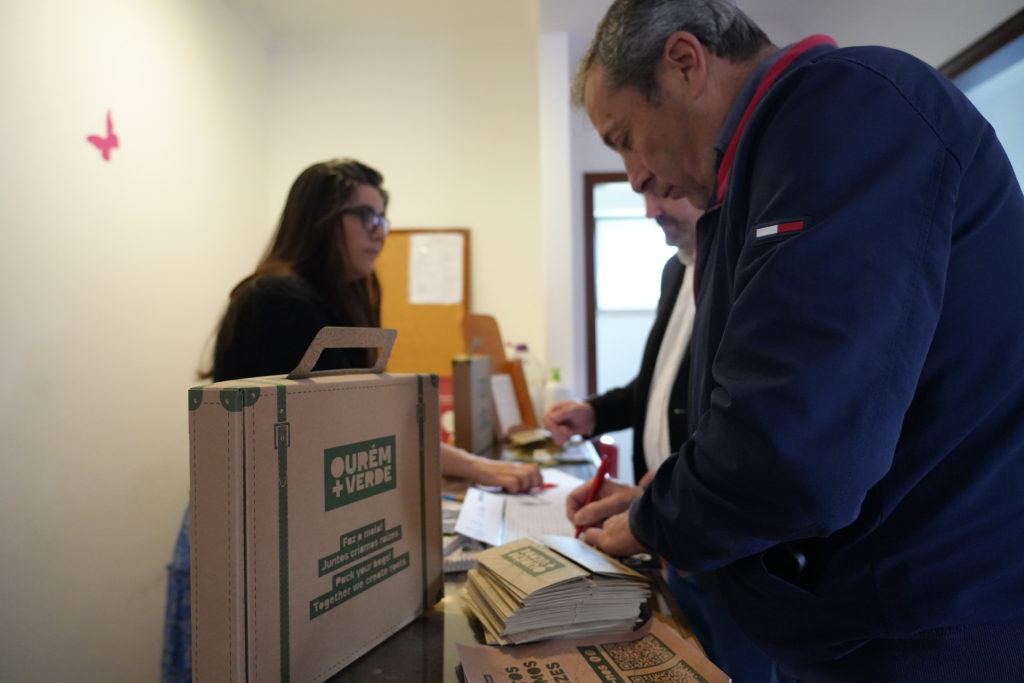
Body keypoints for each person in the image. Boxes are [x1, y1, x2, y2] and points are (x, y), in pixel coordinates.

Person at [568, 0, 1024, 680]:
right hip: (849, 617)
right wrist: (663, 499)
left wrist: (656, 519)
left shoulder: (846, 106)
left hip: (926, 626)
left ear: (685, 63)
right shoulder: (751, 183)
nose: (635, 175)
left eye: (626, 136)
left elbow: (794, 448)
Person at [162, 159, 541, 682]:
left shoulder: (330, 299)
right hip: (245, 549)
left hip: (281, 540)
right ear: (319, 219)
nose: (379, 231)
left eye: (382, 217)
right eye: (365, 215)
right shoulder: (279, 299)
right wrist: (483, 468)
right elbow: (352, 436)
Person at [545, 194, 777, 681]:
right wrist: (595, 412)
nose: (651, 209)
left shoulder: (741, 268)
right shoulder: (675, 271)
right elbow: (658, 383)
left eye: (664, 190)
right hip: (668, 529)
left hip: (717, 537)